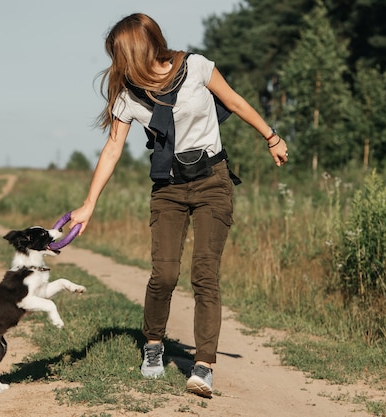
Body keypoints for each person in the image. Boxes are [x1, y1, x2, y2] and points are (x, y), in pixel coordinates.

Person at [70, 13, 288, 398]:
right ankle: (153, 345)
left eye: (119, 55)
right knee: (165, 275)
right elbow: (113, 149)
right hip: (168, 188)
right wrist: (89, 204)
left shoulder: (197, 68)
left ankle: (203, 366)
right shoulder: (128, 95)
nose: (116, 65)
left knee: (205, 274)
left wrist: (271, 137)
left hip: (212, 182)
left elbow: (235, 102)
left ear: (139, 50)